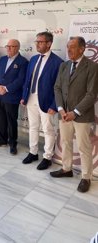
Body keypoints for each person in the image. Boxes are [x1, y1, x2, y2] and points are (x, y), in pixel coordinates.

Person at [50, 36, 98, 193]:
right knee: (65, 142)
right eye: (67, 47)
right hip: (64, 114)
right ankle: (66, 169)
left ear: (82, 48)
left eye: (72, 47)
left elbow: (91, 94)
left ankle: (86, 177)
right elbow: (57, 88)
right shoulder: (64, 65)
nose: (68, 50)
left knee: (84, 147)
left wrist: (75, 112)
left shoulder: (92, 67)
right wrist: (61, 109)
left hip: (81, 115)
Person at [21, 31, 63, 170]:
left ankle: (47, 157)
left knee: (48, 130)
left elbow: (59, 87)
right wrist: (24, 96)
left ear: (49, 43)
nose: (37, 44)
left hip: (47, 101)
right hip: (31, 97)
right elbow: (28, 79)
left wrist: (54, 105)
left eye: (40, 42)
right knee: (32, 126)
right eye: (37, 42)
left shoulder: (58, 62)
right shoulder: (33, 59)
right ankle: (33, 152)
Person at [0, 39, 28, 154]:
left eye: (11, 46)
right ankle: (2, 139)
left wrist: (6, 89)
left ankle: (12, 143)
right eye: (7, 46)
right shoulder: (2, 59)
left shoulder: (23, 62)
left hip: (11, 96)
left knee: (11, 121)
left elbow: (20, 80)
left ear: (17, 47)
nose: (8, 48)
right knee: (0, 119)